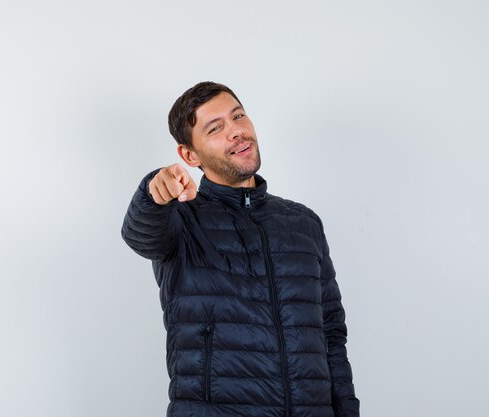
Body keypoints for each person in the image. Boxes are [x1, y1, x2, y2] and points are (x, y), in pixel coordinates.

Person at [121, 82, 360, 417]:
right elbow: (140, 234)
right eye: (216, 128)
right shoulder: (180, 219)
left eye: (238, 117)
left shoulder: (303, 224)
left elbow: (331, 334)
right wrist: (153, 192)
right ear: (190, 155)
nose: (236, 132)